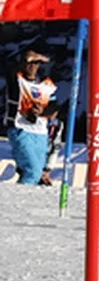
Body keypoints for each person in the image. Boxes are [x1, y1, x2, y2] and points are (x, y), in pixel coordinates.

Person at [7, 48, 56, 188]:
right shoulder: (17, 79)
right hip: (20, 129)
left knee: (36, 173)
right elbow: (10, 72)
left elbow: (54, 106)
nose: (32, 66)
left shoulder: (46, 84)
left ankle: (21, 201)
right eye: (30, 63)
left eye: (36, 63)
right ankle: (17, 202)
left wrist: (42, 111)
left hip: (40, 132)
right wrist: (25, 59)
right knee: (32, 172)